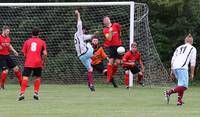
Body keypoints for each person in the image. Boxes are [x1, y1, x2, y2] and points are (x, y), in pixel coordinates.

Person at [164, 34, 196, 106]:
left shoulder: (179, 47)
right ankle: (168, 92)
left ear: (185, 41)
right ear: (192, 42)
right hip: (182, 67)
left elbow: (173, 59)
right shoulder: (192, 48)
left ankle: (179, 101)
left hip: (175, 66)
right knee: (184, 86)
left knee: (180, 84)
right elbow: (193, 62)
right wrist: (192, 73)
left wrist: (172, 71)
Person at [18, 27, 47, 101]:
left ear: (32, 34)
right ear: (39, 34)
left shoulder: (27, 42)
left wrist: (28, 57)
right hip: (38, 62)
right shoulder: (42, 42)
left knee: (25, 77)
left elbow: (24, 53)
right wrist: (43, 61)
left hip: (28, 62)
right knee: (37, 77)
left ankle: (22, 93)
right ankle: (36, 93)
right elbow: (45, 53)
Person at [74, 10, 98, 92]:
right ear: (82, 30)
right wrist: (78, 14)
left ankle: (90, 84)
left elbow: (90, 36)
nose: (84, 30)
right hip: (86, 53)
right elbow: (79, 23)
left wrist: (94, 34)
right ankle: (96, 52)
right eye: (84, 29)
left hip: (81, 57)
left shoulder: (81, 36)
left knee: (90, 69)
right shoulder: (79, 32)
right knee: (88, 45)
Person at [102, 16, 122, 85]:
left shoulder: (116, 25)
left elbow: (119, 32)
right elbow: (109, 39)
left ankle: (111, 75)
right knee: (110, 62)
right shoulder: (105, 30)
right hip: (111, 47)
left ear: (110, 19)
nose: (106, 20)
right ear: (104, 22)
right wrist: (110, 32)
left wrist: (119, 40)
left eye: (107, 19)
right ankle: (108, 78)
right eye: (105, 20)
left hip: (118, 46)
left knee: (117, 63)